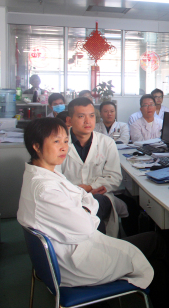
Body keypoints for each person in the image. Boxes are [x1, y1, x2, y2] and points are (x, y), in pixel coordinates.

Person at [18, 118, 169, 308]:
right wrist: (86, 208)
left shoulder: (40, 175)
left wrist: (84, 206)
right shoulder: (46, 189)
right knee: (155, 252)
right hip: (78, 263)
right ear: (36, 146)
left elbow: (84, 197)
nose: (64, 147)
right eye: (56, 141)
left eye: (66, 141)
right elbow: (86, 225)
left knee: (155, 253)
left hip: (71, 252)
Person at [60, 97, 123, 237]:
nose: (88, 121)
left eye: (92, 116)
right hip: (69, 197)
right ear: (69, 120)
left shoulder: (107, 143)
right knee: (78, 211)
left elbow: (114, 177)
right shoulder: (59, 143)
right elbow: (55, 178)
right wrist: (79, 191)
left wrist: (89, 187)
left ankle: (97, 244)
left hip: (100, 195)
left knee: (93, 205)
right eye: (81, 116)